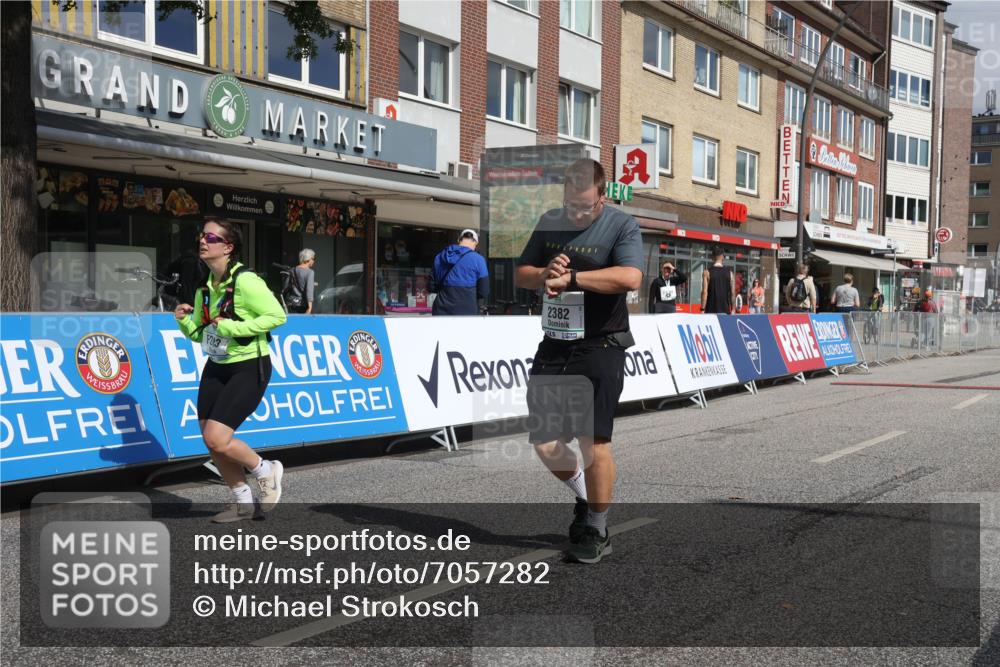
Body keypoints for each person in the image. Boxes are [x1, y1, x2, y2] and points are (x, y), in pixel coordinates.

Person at [515, 158, 643, 564]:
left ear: (602, 197)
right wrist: (543, 272)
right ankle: (588, 499)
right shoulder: (551, 221)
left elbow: (630, 278)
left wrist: (572, 279)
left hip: (600, 344)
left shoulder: (622, 225)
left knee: (593, 443)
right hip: (555, 342)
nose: (576, 214)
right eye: (571, 205)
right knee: (543, 440)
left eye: (584, 207)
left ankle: (598, 529)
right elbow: (521, 273)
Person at [174, 220, 288, 523]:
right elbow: (202, 333)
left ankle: (266, 470)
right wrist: (185, 321)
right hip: (217, 364)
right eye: (201, 236)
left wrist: (235, 327)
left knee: (218, 437)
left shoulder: (246, 281)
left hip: (250, 364)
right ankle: (243, 503)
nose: (203, 241)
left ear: (228, 247)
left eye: (211, 237)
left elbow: (277, 316)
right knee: (210, 440)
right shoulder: (205, 288)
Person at [430, 229, 489, 316]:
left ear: (459, 240)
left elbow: (431, 287)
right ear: (476, 243)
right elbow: (484, 291)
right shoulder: (478, 259)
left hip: (441, 309)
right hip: (467, 310)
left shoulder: (440, 257)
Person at [700, 247, 735, 314]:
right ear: (723, 257)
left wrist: (702, 309)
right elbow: (732, 293)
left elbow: (704, 292)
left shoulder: (706, 272)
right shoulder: (730, 273)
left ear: (712, 258)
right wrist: (733, 309)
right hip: (725, 310)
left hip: (710, 310)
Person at [284, 248, 316, 314]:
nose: (313, 261)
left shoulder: (292, 270)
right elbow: (309, 290)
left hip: (291, 303)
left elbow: (286, 286)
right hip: (302, 305)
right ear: (308, 259)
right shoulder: (310, 272)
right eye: (313, 259)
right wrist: (310, 307)